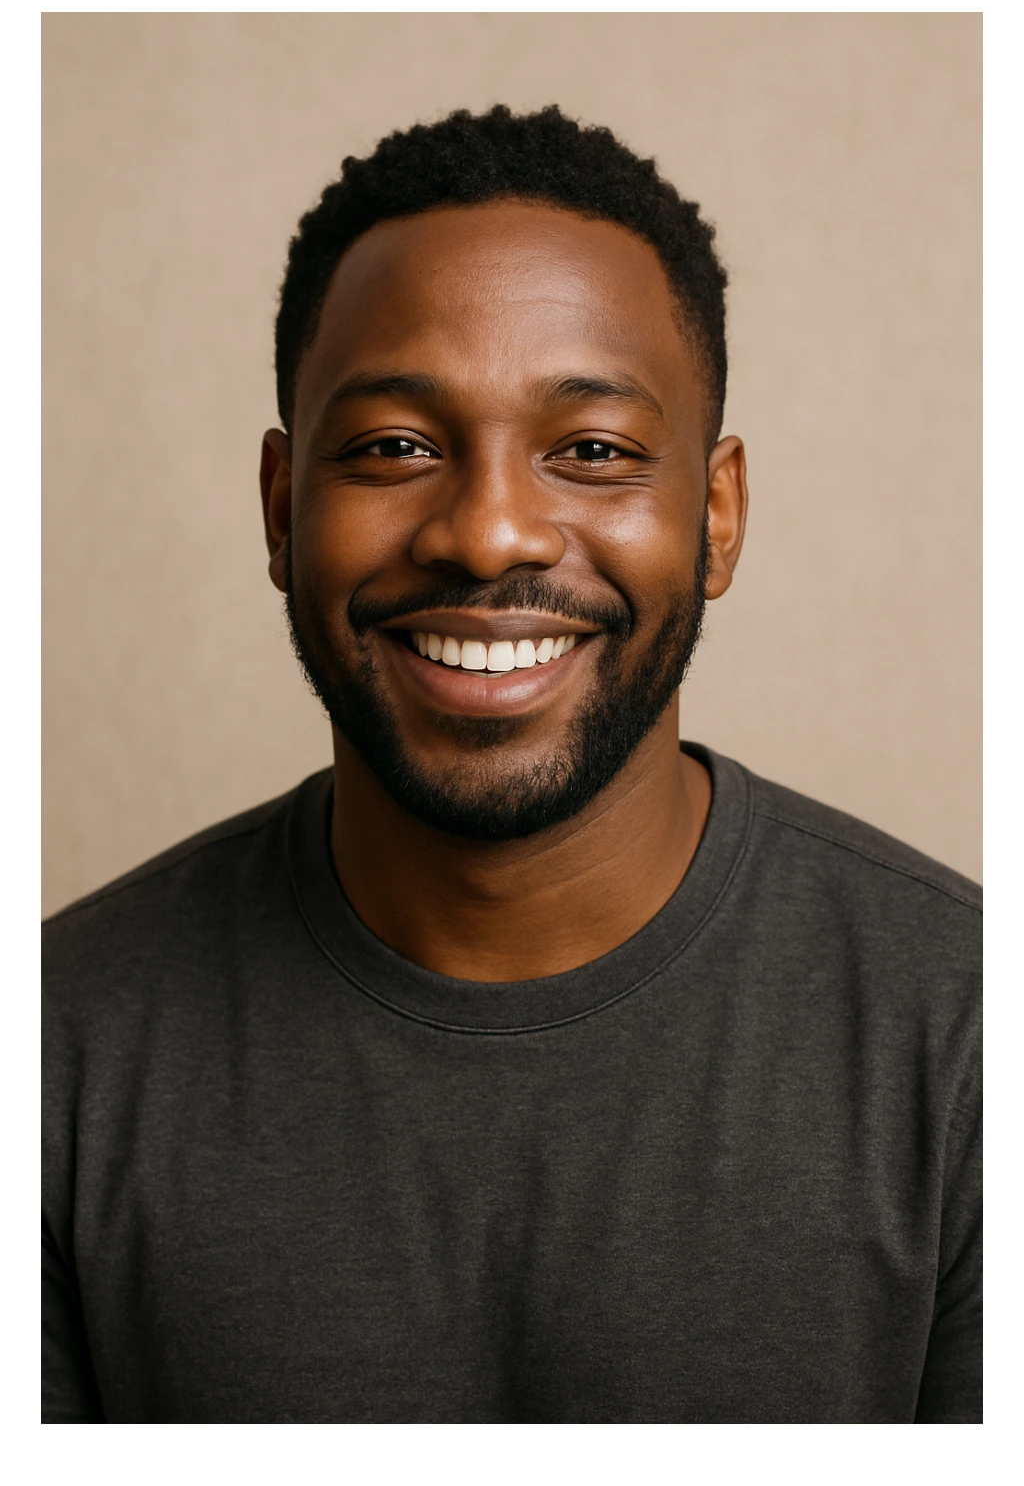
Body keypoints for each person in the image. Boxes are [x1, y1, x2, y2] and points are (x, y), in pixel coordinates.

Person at [42, 105, 981, 1424]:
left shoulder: (968, 1045)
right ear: (280, 509)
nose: (487, 533)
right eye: (392, 449)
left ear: (716, 520)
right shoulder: (52, 1055)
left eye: (590, 451)